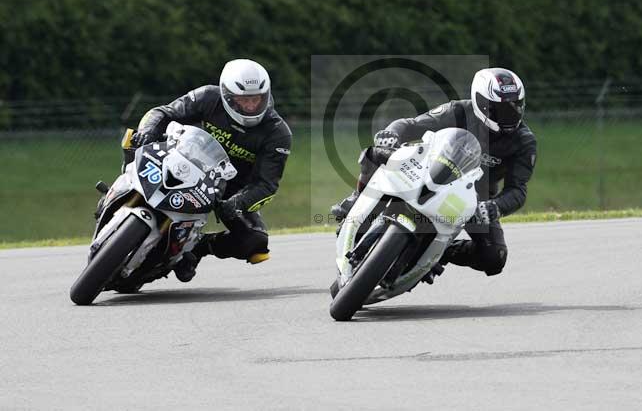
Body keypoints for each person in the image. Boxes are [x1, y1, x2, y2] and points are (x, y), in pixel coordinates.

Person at [331, 67, 537, 277]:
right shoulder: (457, 111)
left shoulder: (524, 141)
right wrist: (391, 135)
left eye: (516, 107)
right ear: (481, 103)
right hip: (430, 171)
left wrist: (496, 207)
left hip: (474, 200)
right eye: (501, 110)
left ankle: (443, 251)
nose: (510, 116)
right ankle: (356, 201)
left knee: (494, 258)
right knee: (376, 153)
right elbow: (409, 125)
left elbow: (518, 189)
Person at [131, 58, 292, 282]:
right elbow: (163, 112)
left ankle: (198, 248)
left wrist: (237, 203)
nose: (250, 106)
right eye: (243, 100)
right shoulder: (208, 97)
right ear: (227, 95)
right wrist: (147, 130)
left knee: (256, 243)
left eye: (257, 99)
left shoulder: (278, 133)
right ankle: (125, 187)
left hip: (229, 189)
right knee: (132, 139)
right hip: (185, 160)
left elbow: (267, 185)